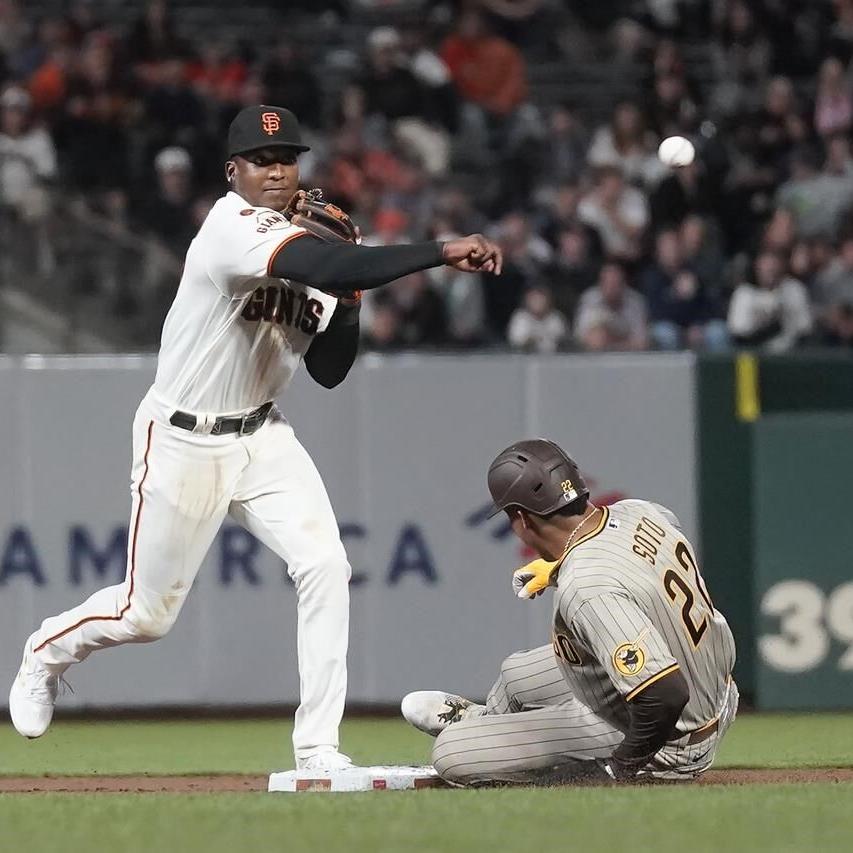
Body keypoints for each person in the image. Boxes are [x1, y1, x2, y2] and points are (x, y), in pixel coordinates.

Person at [8, 104, 502, 772]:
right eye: (262, 160)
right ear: (232, 171)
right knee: (146, 614)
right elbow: (323, 266)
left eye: (287, 159)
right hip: (182, 437)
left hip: (263, 436)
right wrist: (434, 250)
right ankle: (46, 652)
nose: (276, 171)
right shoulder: (230, 225)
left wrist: (350, 296)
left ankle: (317, 748)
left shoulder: (323, 261)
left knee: (326, 565)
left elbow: (329, 369)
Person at [402, 439, 738, 785]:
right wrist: (561, 566)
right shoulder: (640, 511)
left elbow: (665, 696)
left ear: (520, 520)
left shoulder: (587, 587)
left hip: (671, 738)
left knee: (452, 754)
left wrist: (617, 769)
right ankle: (485, 722)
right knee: (516, 674)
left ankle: (484, 741)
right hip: (711, 683)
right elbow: (644, 561)